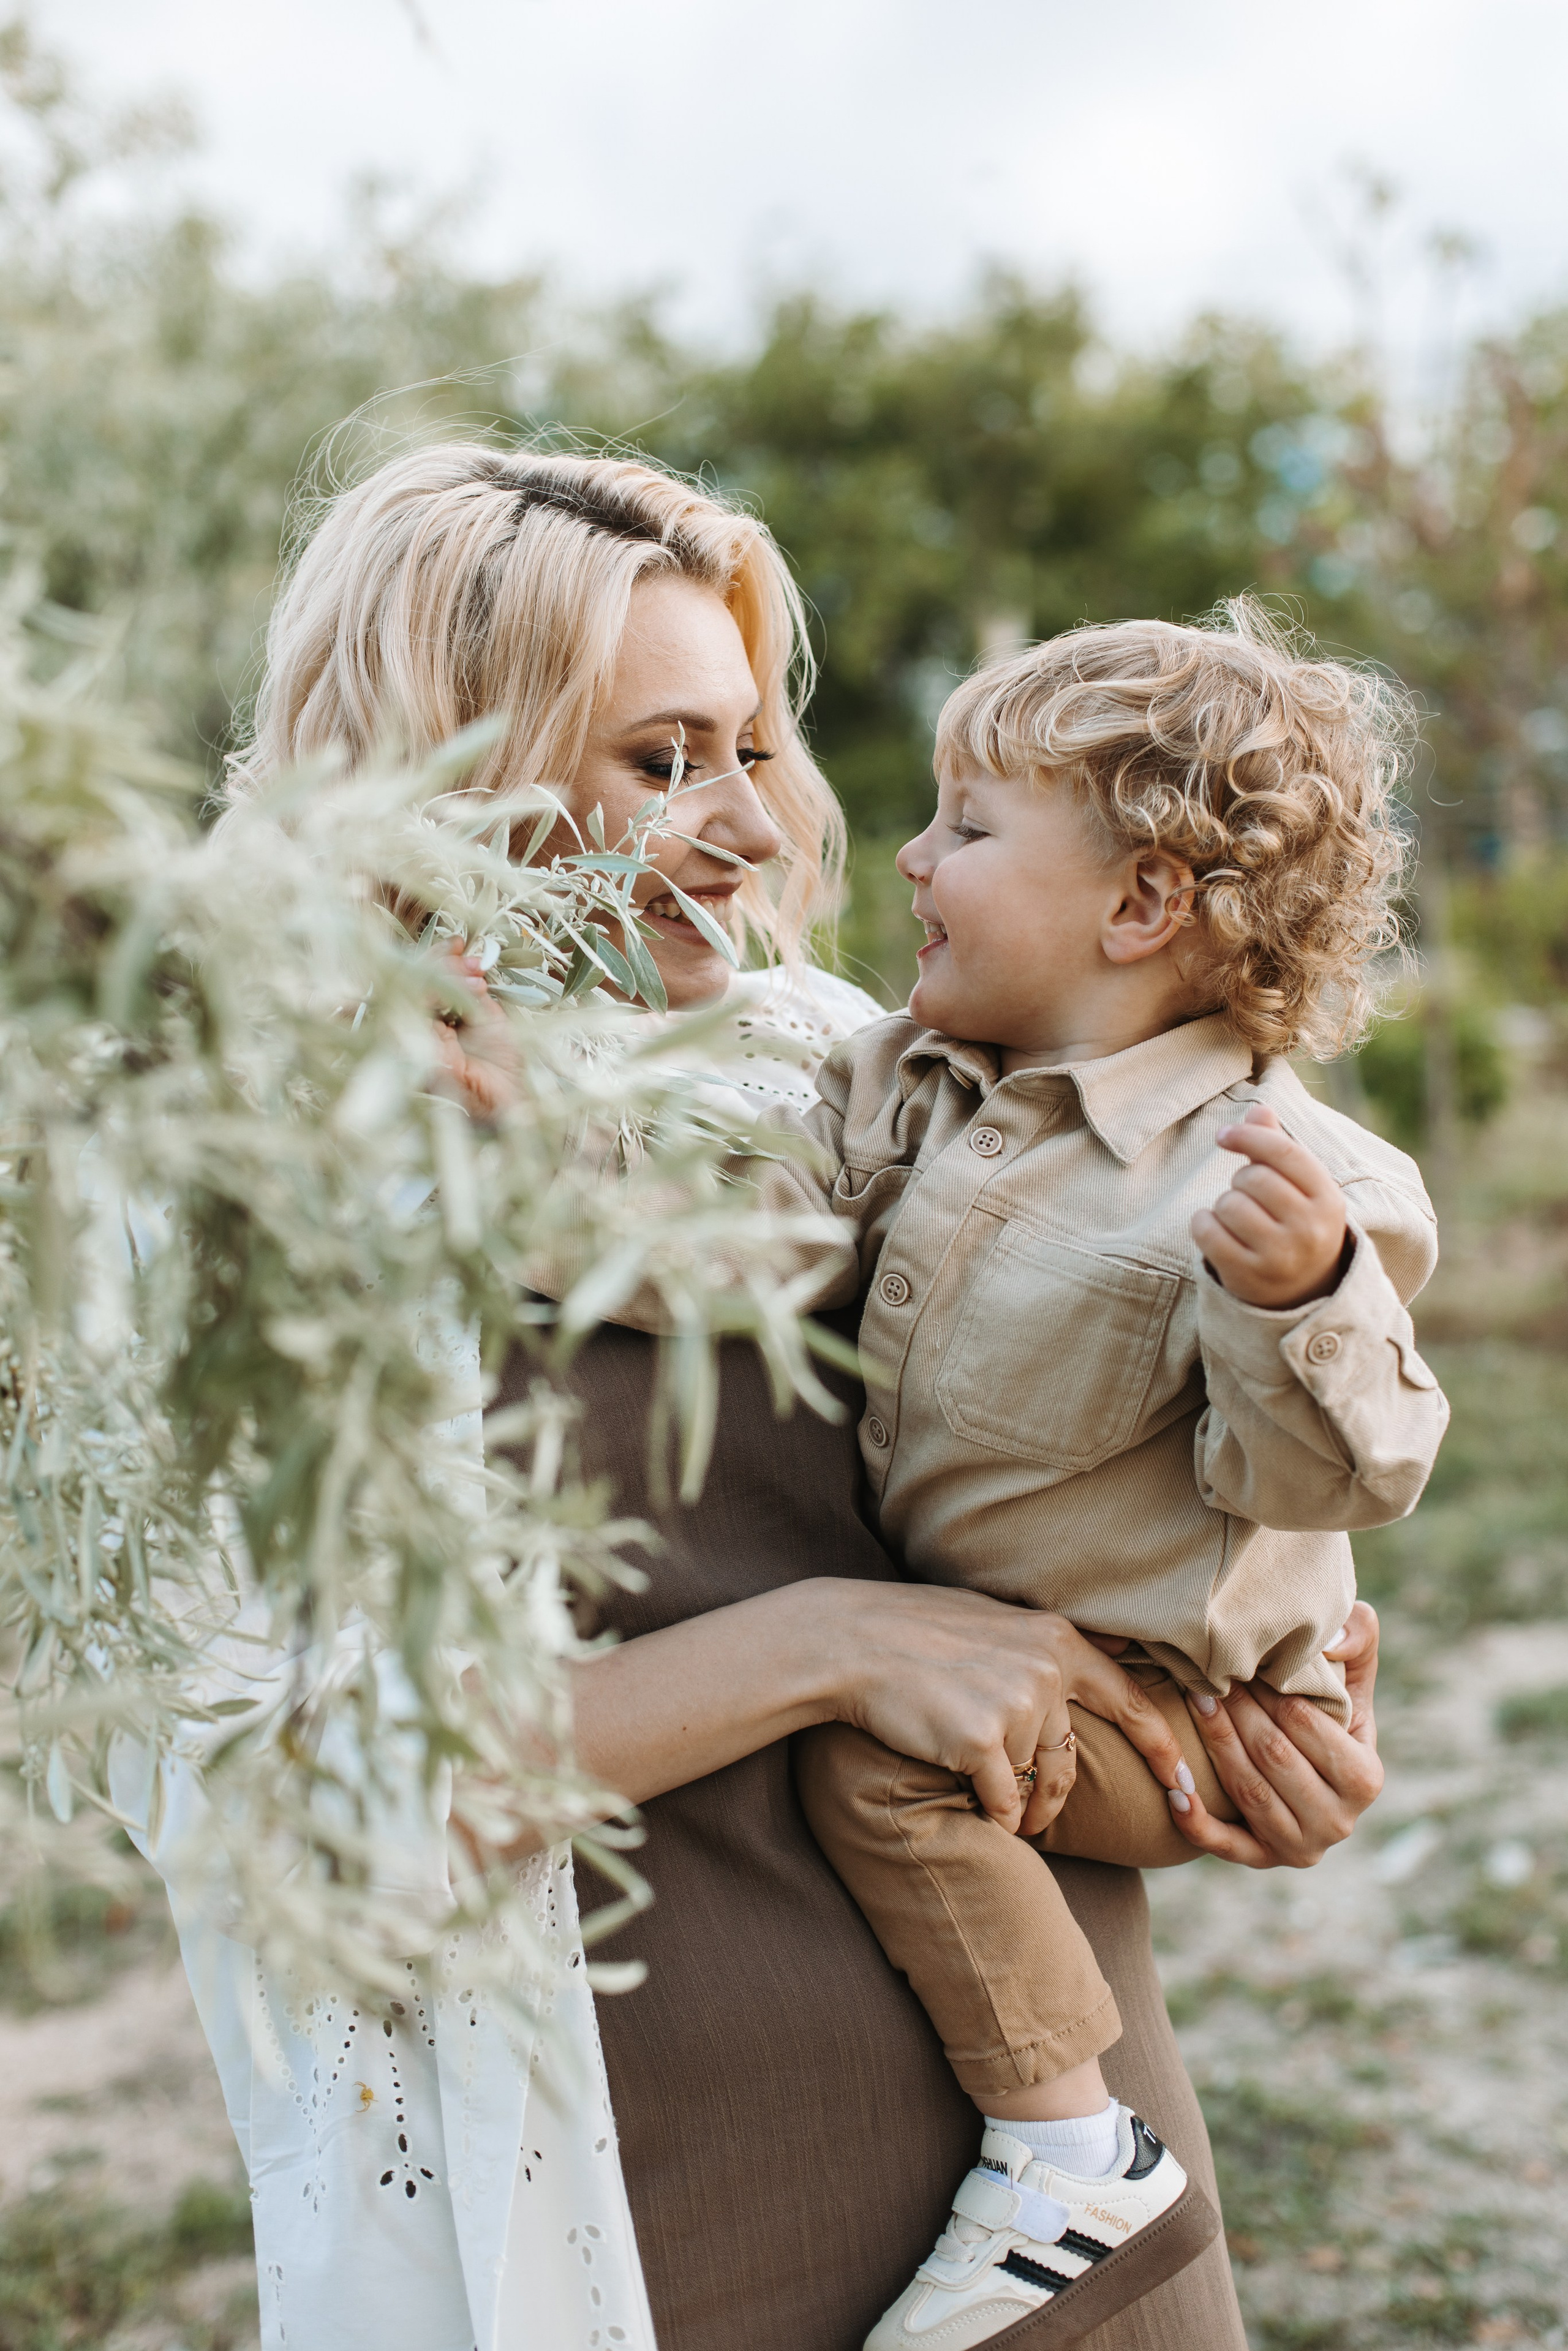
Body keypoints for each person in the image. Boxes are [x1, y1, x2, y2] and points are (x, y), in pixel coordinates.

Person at [151, 438, 1390, 2351]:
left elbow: (1118, 1474)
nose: (754, 825)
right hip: (652, 2198)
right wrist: (831, 1647)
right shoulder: (229, 1196)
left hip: (1056, 2163)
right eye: (666, 761)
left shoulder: (845, 1064)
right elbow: (317, 1820)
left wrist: (1243, 1723)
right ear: (440, 769)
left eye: (748, 746)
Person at [641, 606, 1444, 2350]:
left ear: (1141, 905)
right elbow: (753, 1235)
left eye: (969, 828)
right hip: (1010, 1656)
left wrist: (1295, 1296)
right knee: (906, 1732)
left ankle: (1067, 2146)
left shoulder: (1281, 1178)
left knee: (889, 1757)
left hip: (1172, 1709)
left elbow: (1333, 1472)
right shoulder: (918, 1084)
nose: (906, 855)